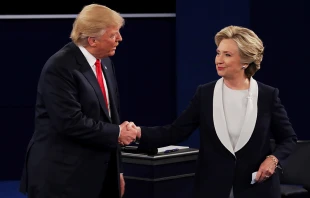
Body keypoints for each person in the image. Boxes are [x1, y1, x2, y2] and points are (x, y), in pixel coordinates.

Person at [129, 25, 297, 198]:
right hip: (212, 189)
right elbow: (175, 132)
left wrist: (273, 160)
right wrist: (139, 133)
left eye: (227, 55)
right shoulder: (205, 94)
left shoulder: (267, 96)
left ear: (245, 62)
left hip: (257, 190)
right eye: (218, 53)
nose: (219, 60)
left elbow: (288, 139)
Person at [19, 4, 137, 198]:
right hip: (63, 177)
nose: (120, 39)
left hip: (100, 173)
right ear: (92, 40)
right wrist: (118, 132)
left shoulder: (105, 61)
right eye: (113, 35)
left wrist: (118, 171)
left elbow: (110, 117)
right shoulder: (59, 67)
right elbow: (70, 122)